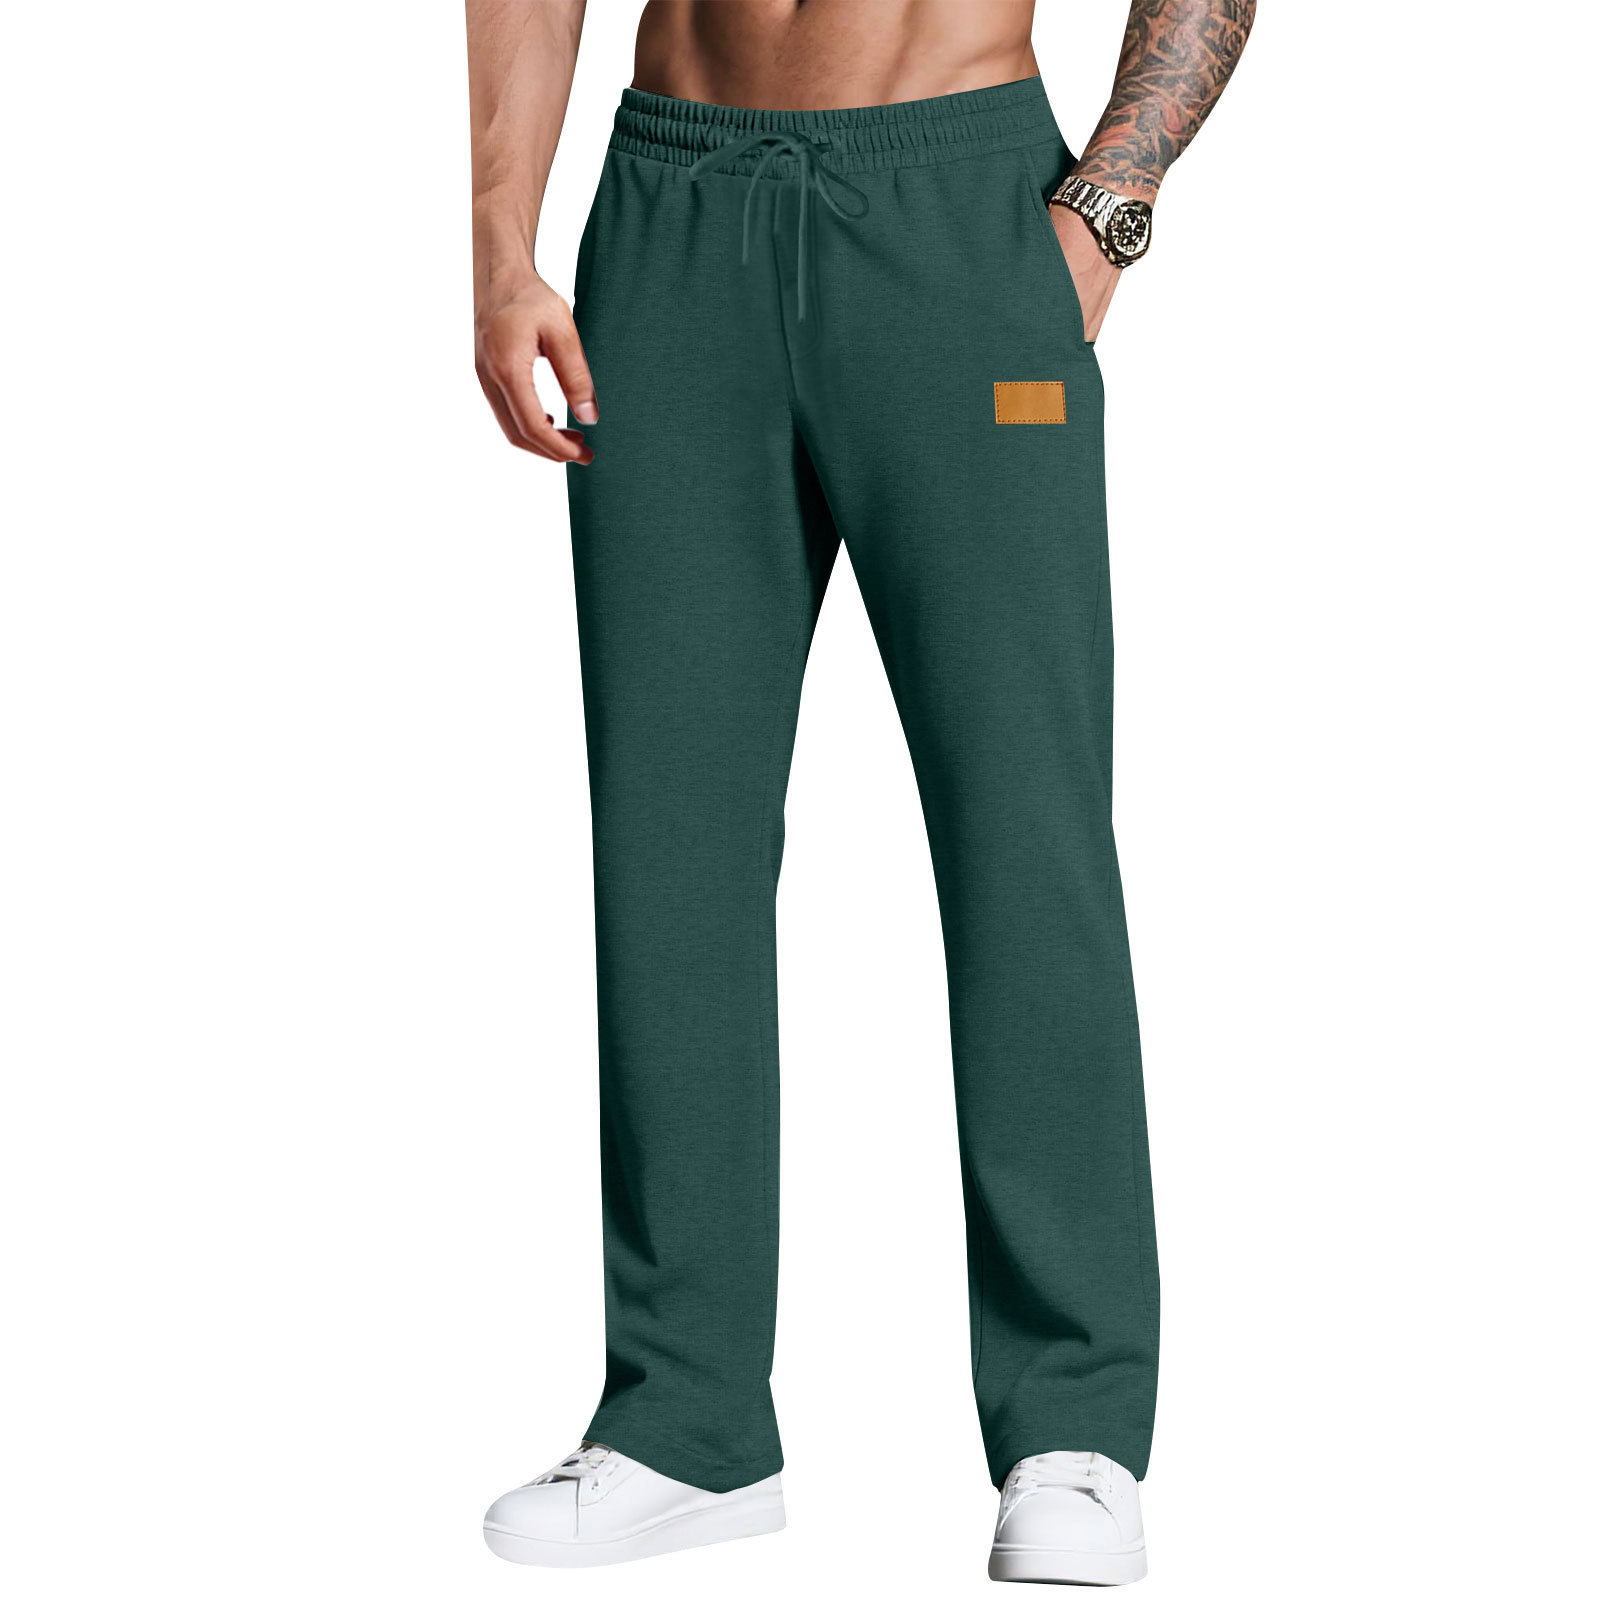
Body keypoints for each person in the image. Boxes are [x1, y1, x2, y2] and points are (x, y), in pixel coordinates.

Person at [466, 0, 1253, 1582]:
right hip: (671, 217)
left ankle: (1074, 1426)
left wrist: (1107, 206)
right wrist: (502, 248)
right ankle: (685, 1420)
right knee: (669, 840)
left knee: (1020, 827)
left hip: (964, 213)